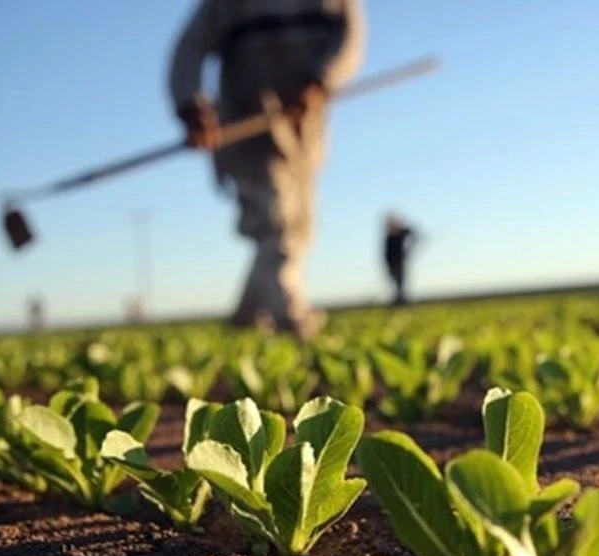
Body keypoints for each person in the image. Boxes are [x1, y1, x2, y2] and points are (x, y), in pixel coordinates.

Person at [168, 0, 366, 340]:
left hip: (302, 132)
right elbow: (189, 51)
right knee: (276, 219)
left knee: (300, 226)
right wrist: (190, 106)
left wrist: (321, 79)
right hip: (247, 127)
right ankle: (290, 315)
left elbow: (349, 38)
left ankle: (245, 318)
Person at [383, 213, 418, 306]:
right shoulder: (389, 237)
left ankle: (401, 301)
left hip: (400, 262)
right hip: (391, 264)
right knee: (396, 283)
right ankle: (399, 300)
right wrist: (388, 265)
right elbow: (386, 253)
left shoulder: (402, 232)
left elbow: (414, 234)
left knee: (401, 282)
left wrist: (410, 248)